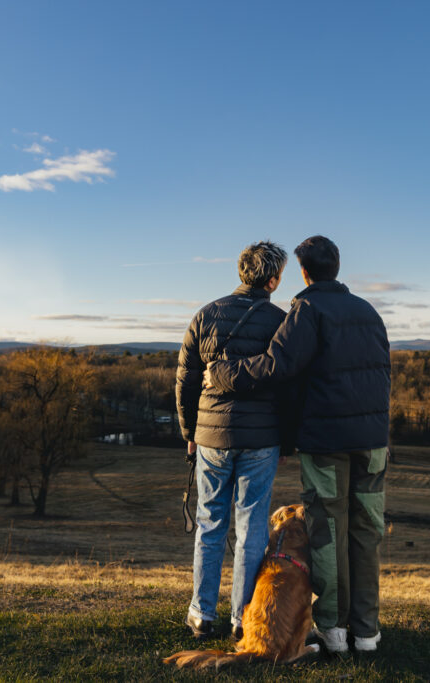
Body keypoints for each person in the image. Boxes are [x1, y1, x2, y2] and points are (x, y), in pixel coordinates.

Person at [204, 235, 390, 655]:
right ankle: (368, 633)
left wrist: (224, 375)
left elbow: (276, 365)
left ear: (304, 272)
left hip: (327, 442)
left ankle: (335, 632)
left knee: (327, 532)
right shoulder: (369, 311)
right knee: (366, 533)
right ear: (337, 268)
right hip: (374, 442)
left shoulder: (307, 308)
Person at [175, 240, 292, 642]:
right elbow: (288, 382)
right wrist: (287, 440)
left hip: (211, 436)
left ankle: (201, 614)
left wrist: (190, 434)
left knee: (209, 524)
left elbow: (186, 380)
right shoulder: (282, 321)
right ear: (273, 280)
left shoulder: (206, 315)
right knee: (252, 529)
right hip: (262, 439)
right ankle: (242, 618)